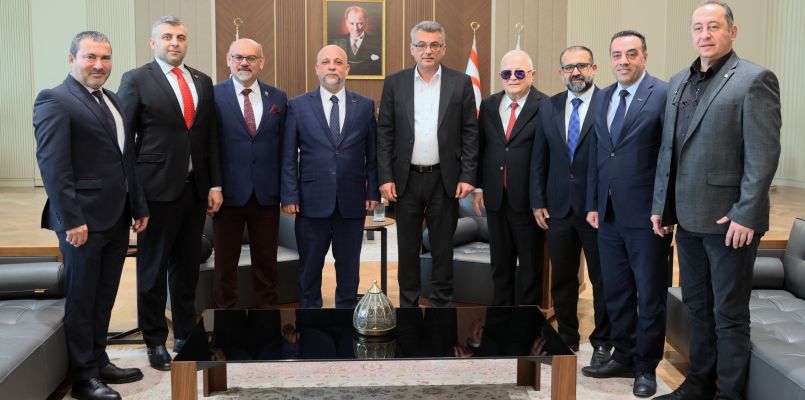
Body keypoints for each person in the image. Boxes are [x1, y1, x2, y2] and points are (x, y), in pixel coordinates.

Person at [652, 2, 781, 399]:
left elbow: (763, 155)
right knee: (696, 306)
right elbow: (669, 151)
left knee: (728, 313)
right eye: (698, 27)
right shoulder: (679, 81)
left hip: (731, 223)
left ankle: (730, 394)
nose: (704, 34)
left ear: (732, 32)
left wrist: (746, 212)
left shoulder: (755, 79)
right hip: (687, 218)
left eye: (713, 26)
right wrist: (661, 206)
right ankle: (699, 383)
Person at [33, 31, 149, 400]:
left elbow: (126, 160)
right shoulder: (54, 99)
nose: (99, 65)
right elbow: (54, 168)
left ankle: (99, 361)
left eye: (105, 58)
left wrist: (138, 206)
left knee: (104, 295)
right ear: (72, 59)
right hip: (81, 222)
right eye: (90, 57)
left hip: (115, 217)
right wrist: (72, 220)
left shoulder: (111, 99)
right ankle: (84, 378)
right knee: (82, 299)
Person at [117, 15, 222, 371]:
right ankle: (154, 339)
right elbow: (124, 142)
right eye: (166, 37)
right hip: (155, 192)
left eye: (180, 37)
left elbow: (209, 137)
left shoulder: (202, 81)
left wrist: (214, 184)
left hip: (195, 191)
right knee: (152, 270)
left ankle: (185, 332)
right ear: (153, 42)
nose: (174, 43)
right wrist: (134, 197)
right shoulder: (136, 79)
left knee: (187, 267)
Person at [580, 30, 671, 398]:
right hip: (607, 214)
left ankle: (646, 366)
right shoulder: (602, 96)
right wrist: (592, 203)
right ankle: (624, 355)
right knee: (615, 291)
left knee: (649, 295)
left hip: (649, 218)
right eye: (617, 54)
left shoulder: (663, 94)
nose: (623, 61)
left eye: (631, 54)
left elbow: (669, 156)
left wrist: (665, 208)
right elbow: (597, 154)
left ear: (644, 57)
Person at [377, 20, 479, 308]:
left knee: (443, 249)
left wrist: (468, 175)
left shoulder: (461, 83)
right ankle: (408, 308)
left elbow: (470, 132)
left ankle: (441, 309)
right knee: (408, 249)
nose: (428, 50)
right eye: (421, 45)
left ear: (443, 48)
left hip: (445, 179)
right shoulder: (395, 83)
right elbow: (384, 132)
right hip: (405, 180)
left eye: (434, 45)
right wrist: (385, 176)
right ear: (411, 49)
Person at [280, 45, 379, 308]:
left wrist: (372, 192)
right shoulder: (297, 106)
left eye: (338, 62)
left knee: (349, 267)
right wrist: (289, 195)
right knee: (310, 267)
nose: (332, 67)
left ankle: (345, 316)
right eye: (326, 62)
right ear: (317, 68)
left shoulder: (365, 106)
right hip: (311, 201)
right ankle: (310, 317)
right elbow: (288, 156)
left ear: (347, 69)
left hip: (352, 200)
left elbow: (373, 155)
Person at [530, 45, 611, 365]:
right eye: (568, 67)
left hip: (596, 210)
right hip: (557, 208)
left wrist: (602, 202)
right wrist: (538, 200)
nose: (575, 72)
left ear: (594, 68)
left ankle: (603, 341)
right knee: (563, 279)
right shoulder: (548, 107)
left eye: (582, 66)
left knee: (603, 279)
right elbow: (539, 158)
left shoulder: (609, 102)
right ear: (561, 72)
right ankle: (566, 336)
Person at [212, 38, 287, 309]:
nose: (244, 63)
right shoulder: (213, 95)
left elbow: (285, 147)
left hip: (266, 195)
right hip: (227, 195)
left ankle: (266, 320)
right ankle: (226, 320)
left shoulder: (277, 98)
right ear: (228, 60)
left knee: (267, 264)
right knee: (225, 265)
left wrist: (287, 191)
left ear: (261, 62)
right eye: (238, 57)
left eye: (251, 58)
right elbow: (208, 145)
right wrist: (213, 186)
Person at [471, 49, 547, 307]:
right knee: (500, 265)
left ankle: (526, 320)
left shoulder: (546, 106)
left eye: (519, 72)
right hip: (495, 199)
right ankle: (501, 317)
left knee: (530, 268)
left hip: (529, 203)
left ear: (532, 75)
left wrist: (541, 199)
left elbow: (548, 156)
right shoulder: (489, 105)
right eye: (506, 73)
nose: (512, 77)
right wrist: (479, 187)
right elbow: (481, 147)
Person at [333, 6, 382, 75]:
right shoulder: (337, 43)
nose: (355, 28)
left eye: (360, 23)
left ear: (366, 22)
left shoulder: (377, 43)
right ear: (346, 22)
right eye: (352, 23)